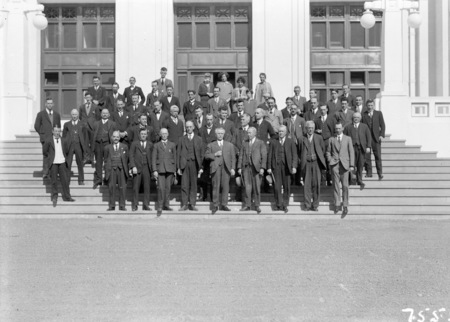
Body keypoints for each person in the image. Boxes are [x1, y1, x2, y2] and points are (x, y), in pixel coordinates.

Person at [205, 127, 236, 214]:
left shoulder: (229, 145)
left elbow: (233, 157)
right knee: (216, 186)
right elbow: (206, 156)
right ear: (215, 134)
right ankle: (215, 205)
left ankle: (224, 204)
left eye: (222, 133)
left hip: (226, 168)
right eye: (218, 133)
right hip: (216, 168)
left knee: (225, 187)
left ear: (224, 134)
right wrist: (214, 154)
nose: (220, 135)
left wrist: (233, 168)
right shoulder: (211, 145)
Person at [326, 123, 354, 217]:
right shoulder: (331, 139)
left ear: (342, 128)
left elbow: (351, 152)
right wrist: (330, 160)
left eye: (339, 128)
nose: (337, 130)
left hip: (345, 165)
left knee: (345, 186)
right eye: (336, 128)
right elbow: (328, 152)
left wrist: (352, 165)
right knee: (336, 185)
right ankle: (337, 203)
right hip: (334, 165)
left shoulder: (348, 138)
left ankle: (345, 205)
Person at [267, 125, 297, 213]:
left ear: (286, 132)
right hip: (276, 166)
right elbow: (270, 155)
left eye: (282, 131)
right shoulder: (273, 142)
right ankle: (278, 204)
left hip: (287, 167)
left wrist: (294, 166)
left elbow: (294, 155)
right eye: (279, 131)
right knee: (277, 187)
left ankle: (285, 205)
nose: (280, 133)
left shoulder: (290, 142)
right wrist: (269, 167)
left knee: (287, 187)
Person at [43, 126, 75, 207]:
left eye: (59, 131)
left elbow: (67, 150)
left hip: (62, 162)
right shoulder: (48, 140)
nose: (57, 133)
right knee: (54, 181)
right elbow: (45, 152)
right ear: (52, 131)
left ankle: (67, 196)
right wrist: (50, 158)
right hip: (53, 163)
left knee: (65, 180)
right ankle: (54, 197)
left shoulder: (63, 140)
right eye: (56, 131)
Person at [238, 127, 267, 214]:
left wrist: (262, 168)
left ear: (255, 133)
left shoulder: (260, 143)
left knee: (256, 187)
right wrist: (239, 167)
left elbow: (264, 156)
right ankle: (247, 205)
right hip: (246, 168)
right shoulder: (245, 143)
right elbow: (241, 156)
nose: (248, 134)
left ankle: (257, 205)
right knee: (247, 187)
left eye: (250, 133)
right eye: (248, 133)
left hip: (256, 168)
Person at [177, 121, 204, 211]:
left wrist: (200, 167)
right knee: (184, 185)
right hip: (184, 164)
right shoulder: (181, 139)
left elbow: (201, 154)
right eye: (187, 127)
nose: (188, 128)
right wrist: (178, 167)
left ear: (193, 128)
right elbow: (178, 153)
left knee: (193, 184)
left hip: (194, 164)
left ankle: (192, 203)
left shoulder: (199, 139)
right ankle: (184, 204)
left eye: (190, 127)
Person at [300, 121, 326, 211]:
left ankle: (315, 205)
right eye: (308, 128)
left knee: (316, 184)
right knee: (307, 185)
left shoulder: (319, 138)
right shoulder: (302, 138)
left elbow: (322, 150)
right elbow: (299, 151)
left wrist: (317, 157)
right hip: (306, 164)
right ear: (306, 129)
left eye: (312, 128)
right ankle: (307, 205)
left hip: (316, 164)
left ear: (314, 128)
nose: (310, 129)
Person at [152, 128, 177, 216]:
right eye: (162, 133)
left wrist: (175, 170)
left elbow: (175, 157)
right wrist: (154, 170)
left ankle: (166, 205)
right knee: (161, 188)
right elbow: (154, 158)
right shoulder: (156, 145)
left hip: (170, 169)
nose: (164, 135)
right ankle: (160, 206)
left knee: (168, 188)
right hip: (160, 169)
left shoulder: (172, 145)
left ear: (168, 134)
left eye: (165, 133)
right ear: (160, 134)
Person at [343, 112, 372, 189]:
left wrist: (368, 146)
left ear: (360, 118)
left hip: (361, 148)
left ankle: (359, 180)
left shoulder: (364, 127)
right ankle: (352, 180)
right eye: (354, 117)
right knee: (352, 164)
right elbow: (344, 138)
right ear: (352, 118)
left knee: (360, 164)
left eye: (357, 117)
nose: (356, 119)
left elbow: (368, 137)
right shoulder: (348, 127)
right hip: (351, 149)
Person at [92, 109, 118, 189]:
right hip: (98, 144)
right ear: (101, 114)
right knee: (98, 162)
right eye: (103, 113)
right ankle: (99, 179)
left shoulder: (113, 124)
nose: (105, 114)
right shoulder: (96, 123)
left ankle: (107, 179)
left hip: (107, 144)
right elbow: (93, 135)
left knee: (107, 162)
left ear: (109, 114)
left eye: (106, 113)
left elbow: (115, 135)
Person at [129, 128, 153, 211]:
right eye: (142, 134)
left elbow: (152, 157)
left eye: (145, 134)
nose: (143, 135)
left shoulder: (150, 144)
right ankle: (135, 204)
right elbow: (131, 156)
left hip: (147, 168)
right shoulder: (134, 144)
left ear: (147, 135)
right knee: (136, 187)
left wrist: (153, 169)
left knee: (147, 187)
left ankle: (146, 204)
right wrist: (133, 166)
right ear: (139, 135)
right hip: (137, 167)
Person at [104, 130, 129, 211]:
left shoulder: (124, 146)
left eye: (117, 137)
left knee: (123, 188)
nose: (116, 138)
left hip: (121, 169)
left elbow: (127, 158)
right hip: (112, 169)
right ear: (111, 137)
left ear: (119, 138)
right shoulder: (107, 147)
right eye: (114, 137)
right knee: (112, 187)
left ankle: (122, 205)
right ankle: (112, 205)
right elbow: (106, 159)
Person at [34, 97, 61, 170]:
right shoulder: (40, 114)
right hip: (45, 138)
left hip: (54, 138)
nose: (50, 105)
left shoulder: (57, 114)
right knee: (46, 155)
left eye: (51, 103)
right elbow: (36, 126)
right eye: (48, 103)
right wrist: (42, 134)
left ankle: (54, 171)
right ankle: (46, 173)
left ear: (53, 104)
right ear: (45, 104)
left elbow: (59, 126)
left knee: (55, 154)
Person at [362, 99, 386, 180]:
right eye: (368, 105)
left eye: (371, 105)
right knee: (367, 157)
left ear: (374, 105)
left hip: (376, 138)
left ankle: (380, 173)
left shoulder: (378, 113)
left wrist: (381, 135)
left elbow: (382, 125)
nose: (370, 107)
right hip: (367, 139)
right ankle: (369, 173)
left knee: (378, 156)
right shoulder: (363, 114)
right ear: (366, 106)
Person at [62, 109, 88, 185]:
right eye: (73, 114)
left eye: (76, 114)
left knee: (80, 163)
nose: (74, 116)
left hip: (78, 145)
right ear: (71, 115)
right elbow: (63, 136)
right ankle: (67, 179)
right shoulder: (67, 124)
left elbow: (85, 137)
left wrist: (85, 147)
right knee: (68, 163)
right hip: (69, 146)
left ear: (78, 115)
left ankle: (81, 179)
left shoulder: (82, 124)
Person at [314, 104, 335, 186]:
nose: (322, 111)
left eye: (324, 109)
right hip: (320, 143)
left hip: (329, 142)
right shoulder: (317, 120)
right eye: (321, 109)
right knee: (321, 160)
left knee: (329, 161)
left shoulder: (331, 119)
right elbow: (314, 130)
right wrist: (317, 131)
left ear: (327, 110)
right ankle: (322, 180)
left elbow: (334, 131)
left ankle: (329, 180)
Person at [198, 113, 216, 201]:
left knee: (213, 177)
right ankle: (203, 195)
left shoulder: (216, 130)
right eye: (207, 119)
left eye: (210, 119)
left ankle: (213, 196)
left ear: (213, 120)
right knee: (203, 177)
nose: (209, 121)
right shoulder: (201, 130)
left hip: (213, 156)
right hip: (203, 156)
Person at [79, 92, 100, 162]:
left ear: (91, 98)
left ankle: (91, 157)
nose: (88, 99)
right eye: (86, 97)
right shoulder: (82, 107)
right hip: (84, 127)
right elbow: (80, 117)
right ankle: (86, 157)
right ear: (85, 98)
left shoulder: (95, 107)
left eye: (89, 97)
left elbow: (98, 117)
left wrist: (94, 125)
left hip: (92, 127)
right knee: (85, 142)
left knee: (93, 142)